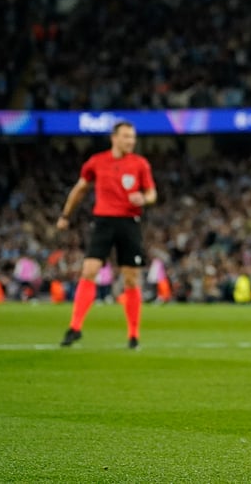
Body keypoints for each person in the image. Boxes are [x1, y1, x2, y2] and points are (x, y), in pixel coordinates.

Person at [56, 120, 157, 349]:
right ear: (114, 138)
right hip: (103, 222)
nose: (131, 141)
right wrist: (65, 215)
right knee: (89, 270)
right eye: (126, 136)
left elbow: (152, 193)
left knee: (131, 277)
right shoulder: (97, 162)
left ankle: (133, 335)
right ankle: (75, 327)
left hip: (130, 223)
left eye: (133, 137)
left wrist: (144, 198)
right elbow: (80, 189)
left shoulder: (140, 164)